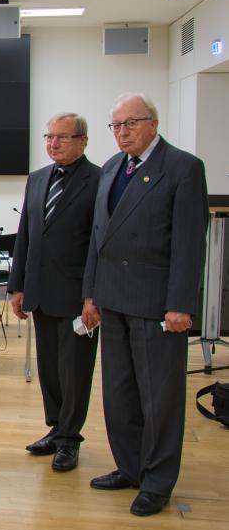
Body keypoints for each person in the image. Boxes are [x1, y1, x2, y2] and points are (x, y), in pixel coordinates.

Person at [81, 93, 207, 516]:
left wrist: (180, 305)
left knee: (160, 399)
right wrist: (91, 294)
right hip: (112, 300)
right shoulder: (113, 168)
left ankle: (157, 481)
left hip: (156, 306)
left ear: (153, 123)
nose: (122, 133)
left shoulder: (183, 169)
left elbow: (189, 246)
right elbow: (99, 238)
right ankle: (131, 467)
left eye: (131, 123)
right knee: (119, 394)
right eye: (115, 126)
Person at [7, 113, 101, 472]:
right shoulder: (38, 179)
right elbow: (26, 235)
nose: (53, 143)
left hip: (78, 295)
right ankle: (56, 428)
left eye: (62, 137)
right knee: (49, 368)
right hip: (41, 292)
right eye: (49, 137)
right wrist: (17, 286)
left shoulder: (98, 180)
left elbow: (98, 243)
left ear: (83, 140)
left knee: (75, 369)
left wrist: (93, 295)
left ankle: (70, 439)